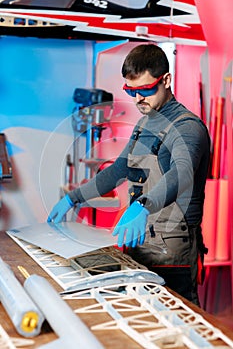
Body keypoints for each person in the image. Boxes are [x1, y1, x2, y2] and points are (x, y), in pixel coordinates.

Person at [48, 44, 210, 305]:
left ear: (166, 80)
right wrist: (74, 198)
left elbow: (181, 173)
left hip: (172, 251)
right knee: (140, 315)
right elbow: (119, 170)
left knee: (177, 319)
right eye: (130, 91)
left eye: (145, 90)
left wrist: (142, 207)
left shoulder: (188, 128)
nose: (138, 99)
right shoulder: (145, 123)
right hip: (139, 242)